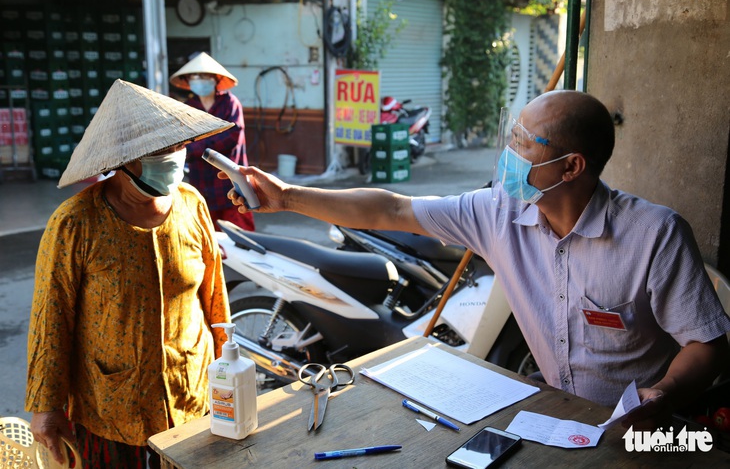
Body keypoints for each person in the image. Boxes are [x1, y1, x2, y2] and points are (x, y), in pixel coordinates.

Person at [225, 90, 730, 430]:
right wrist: (288, 197)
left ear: (572, 166)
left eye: (523, 144)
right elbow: (392, 207)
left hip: (649, 431)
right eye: (511, 137)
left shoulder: (655, 235)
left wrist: (660, 395)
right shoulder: (497, 212)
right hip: (557, 417)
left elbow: (707, 345)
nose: (508, 154)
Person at [25, 79, 233, 468]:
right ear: (122, 160)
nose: (172, 156)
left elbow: (215, 298)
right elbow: (50, 319)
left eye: (177, 145)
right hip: (110, 409)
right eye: (157, 150)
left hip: (191, 395)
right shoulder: (75, 222)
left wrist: (228, 370)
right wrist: (46, 406)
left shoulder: (192, 205)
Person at [169, 52, 255, 231]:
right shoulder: (188, 107)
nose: (199, 80)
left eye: (203, 76)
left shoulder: (230, 103)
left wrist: (197, 146)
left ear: (214, 79)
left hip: (232, 183)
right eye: (194, 77)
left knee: (240, 238)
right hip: (202, 183)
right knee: (207, 239)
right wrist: (200, 146)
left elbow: (231, 137)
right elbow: (183, 141)